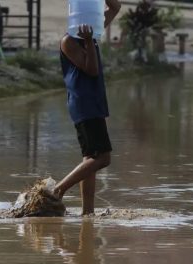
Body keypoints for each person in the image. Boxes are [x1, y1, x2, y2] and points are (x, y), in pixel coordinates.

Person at [54, 0, 121, 215]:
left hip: (93, 102)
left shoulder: (93, 35)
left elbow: (116, 7)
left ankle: (87, 212)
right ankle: (58, 189)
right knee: (102, 158)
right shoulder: (69, 42)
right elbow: (91, 70)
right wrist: (89, 41)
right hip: (84, 104)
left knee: (90, 159)